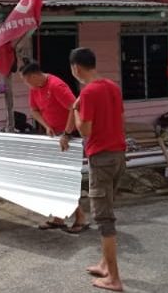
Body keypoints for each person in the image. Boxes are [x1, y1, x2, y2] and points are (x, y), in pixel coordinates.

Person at [70, 47, 126, 292]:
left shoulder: (89, 92)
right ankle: (105, 264)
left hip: (101, 158)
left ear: (76, 68)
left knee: (104, 218)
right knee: (108, 207)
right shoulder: (112, 86)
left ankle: (114, 278)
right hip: (117, 155)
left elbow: (85, 131)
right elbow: (118, 117)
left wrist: (75, 110)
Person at [19, 59, 88, 234]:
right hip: (54, 135)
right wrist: (46, 125)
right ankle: (59, 217)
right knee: (54, 176)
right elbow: (34, 110)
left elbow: (75, 108)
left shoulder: (56, 86)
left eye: (26, 80)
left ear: (34, 76)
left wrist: (66, 133)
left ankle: (81, 217)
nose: (26, 84)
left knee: (65, 177)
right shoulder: (35, 88)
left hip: (69, 135)